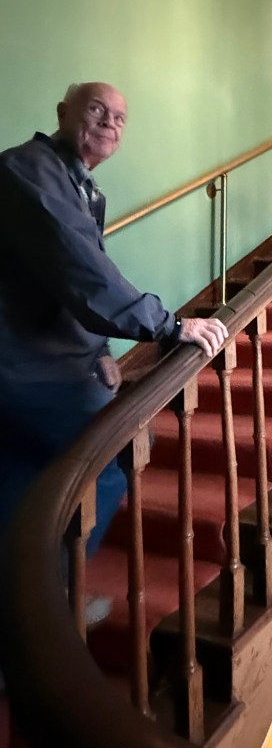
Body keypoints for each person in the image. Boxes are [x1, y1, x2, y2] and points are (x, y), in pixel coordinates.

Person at [0, 82, 228, 582]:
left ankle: (20, 599)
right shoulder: (30, 170)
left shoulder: (79, 185)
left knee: (20, 485)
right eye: (97, 110)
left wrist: (101, 350)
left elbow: (66, 279)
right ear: (63, 113)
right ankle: (48, 603)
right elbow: (83, 273)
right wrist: (171, 325)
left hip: (36, 365)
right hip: (26, 370)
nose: (110, 122)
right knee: (111, 455)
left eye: (120, 118)